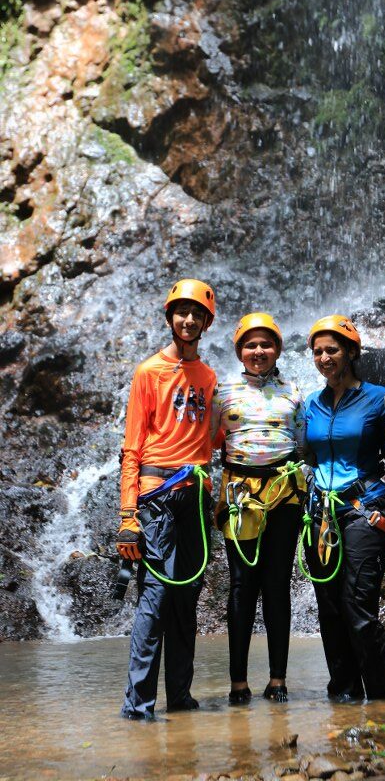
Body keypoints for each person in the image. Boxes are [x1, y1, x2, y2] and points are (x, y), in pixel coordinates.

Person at [117, 278, 217, 720]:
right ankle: (138, 705)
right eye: (181, 312)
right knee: (155, 598)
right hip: (156, 497)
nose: (189, 320)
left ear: (207, 322)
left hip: (195, 500)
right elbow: (132, 447)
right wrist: (128, 514)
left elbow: (209, 441)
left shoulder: (210, 377)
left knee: (186, 600)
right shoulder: (148, 372)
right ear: (169, 317)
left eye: (197, 314)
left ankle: (179, 695)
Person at [302, 314, 385, 702]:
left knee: (356, 606)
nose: (324, 357)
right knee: (329, 610)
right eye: (317, 352)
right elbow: (304, 456)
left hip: (365, 507)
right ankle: (344, 700)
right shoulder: (310, 405)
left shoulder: (377, 398)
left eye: (332, 350)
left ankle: (384, 705)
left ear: (351, 352)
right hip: (320, 514)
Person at [211, 313, 306, 705]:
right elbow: (207, 442)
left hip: (284, 491)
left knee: (277, 584)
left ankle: (278, 678)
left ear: (278, 349)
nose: (259, 351)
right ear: (239, 351)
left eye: (266, 344)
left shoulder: (294, 392)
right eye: (251, 345)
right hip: (240, 492)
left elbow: (302, 444)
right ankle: (238, 682)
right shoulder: (221, 392)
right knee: (241, 585)